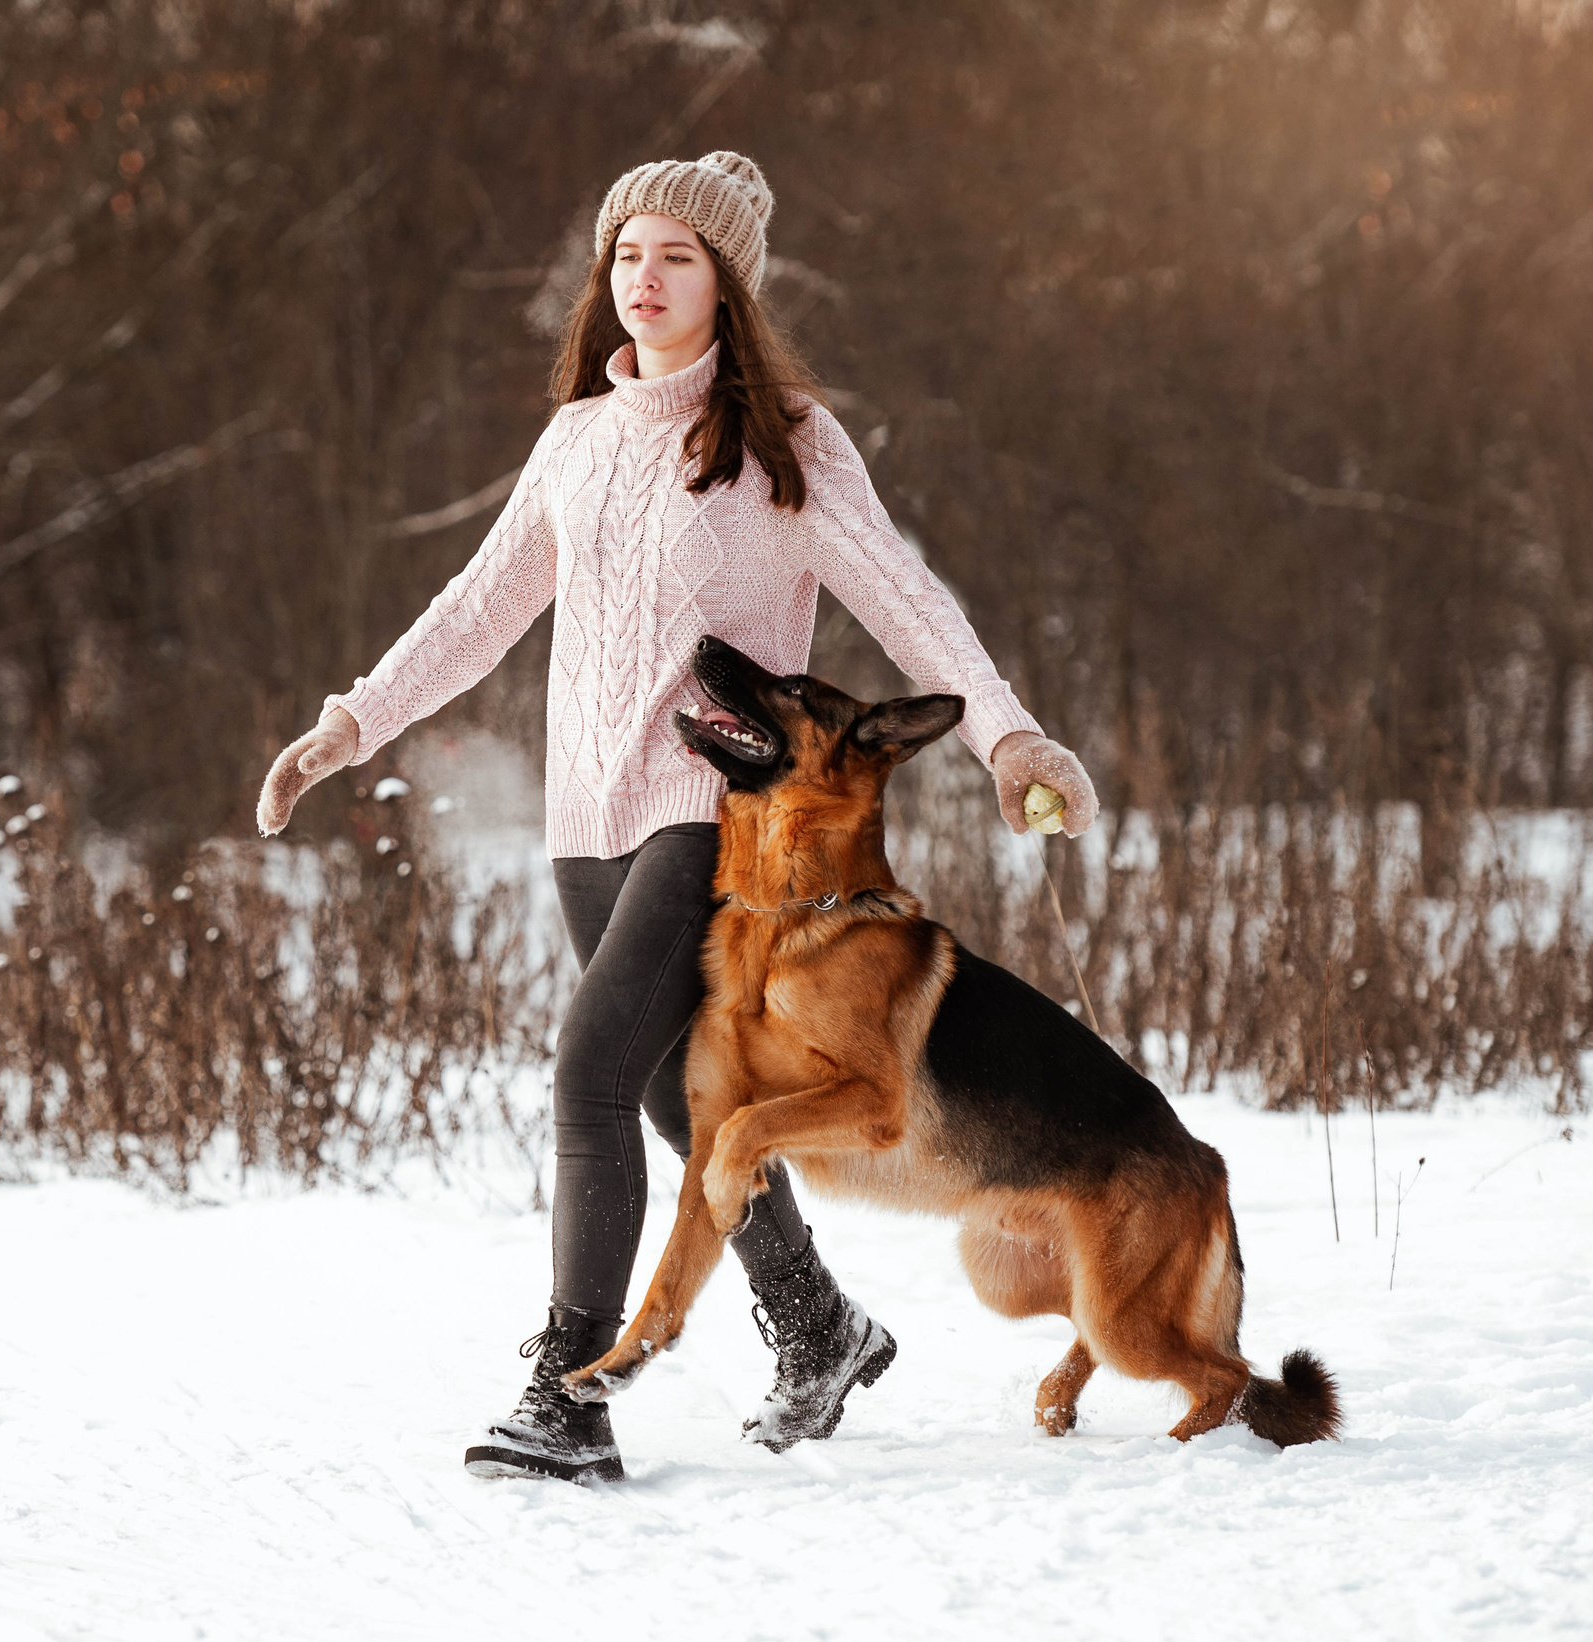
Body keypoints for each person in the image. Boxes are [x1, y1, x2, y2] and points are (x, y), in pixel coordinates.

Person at [257, 151, 1099, 1484]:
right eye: (628, 257)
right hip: (583, 814)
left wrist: (1007, 737)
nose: (644, 281)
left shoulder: (790, 445)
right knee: (666, 1094)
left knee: (591, 1073)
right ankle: (814, 1321)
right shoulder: (578, 441)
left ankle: (570, 1391)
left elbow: (912, 605)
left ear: (729, 284)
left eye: (678, 260)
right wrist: (351, 723)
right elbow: (479, 611)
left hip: (716, 810)